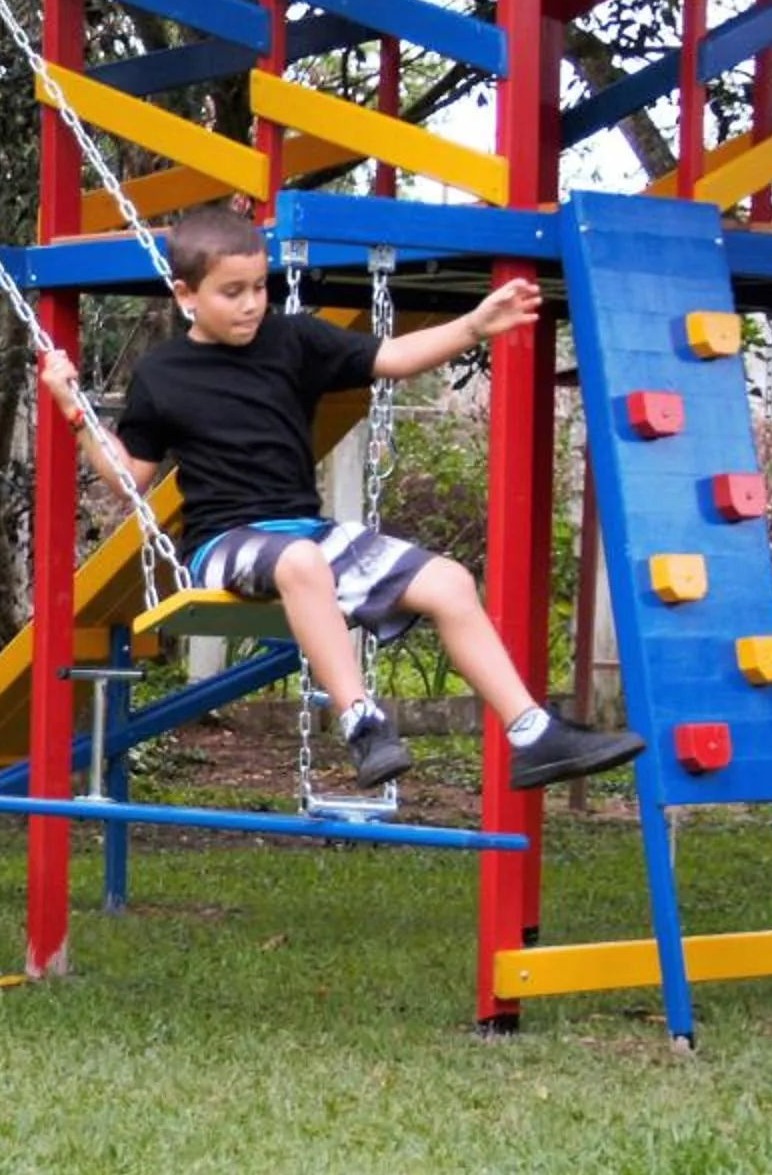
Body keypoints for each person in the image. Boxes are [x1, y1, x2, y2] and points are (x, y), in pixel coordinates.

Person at [36, 206, 641, 793]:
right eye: (232, 292)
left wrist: (474, 326)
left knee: (451, 581)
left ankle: (533, 733)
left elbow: (394, 358)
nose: (252, 303)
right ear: (186, 294)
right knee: (301, 562)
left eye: (259, 286)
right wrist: (78, 417)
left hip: (308, 531)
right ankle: (360, 722)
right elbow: (130, 477)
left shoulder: (293, 339)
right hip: (221, 544)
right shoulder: (162, 373)